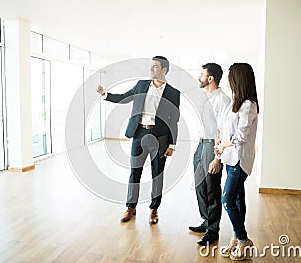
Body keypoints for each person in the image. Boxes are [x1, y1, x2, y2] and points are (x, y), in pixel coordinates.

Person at [96, 56, 180, 225]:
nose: (151, 69)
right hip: (139, 134)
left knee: (157, 175)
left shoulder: (173, 93)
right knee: (135, 172)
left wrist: (172, 144)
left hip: (160, 138)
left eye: (155, 67)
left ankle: (154, 209)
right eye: (151, 66)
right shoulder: (141, 85)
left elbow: (174, 120)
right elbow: (124, 97)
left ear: (164, 70)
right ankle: (130, 207)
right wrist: (105, 95)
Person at [215, 63, 259, 261]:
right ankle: (236, 236)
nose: (227, 78)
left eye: (230, 75)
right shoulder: (235, 101)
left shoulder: (249, 104)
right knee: (238, 199)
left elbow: (240, 136)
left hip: (239, 159)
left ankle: (243, 240)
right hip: (230, 158)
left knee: (227, 200)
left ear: (238, 78)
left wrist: (223, 144)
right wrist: (220, 143)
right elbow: (227, 130)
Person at [188, 63, 230, 246]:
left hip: (213, 146)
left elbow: (224, 131)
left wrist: (217, 158)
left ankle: (213, 230)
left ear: (210, 78)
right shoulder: (204, 97)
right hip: (200, 145)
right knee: (199, 186)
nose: (199, 77)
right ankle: (206, 221)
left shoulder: (223, 100)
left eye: (202, 74)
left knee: (212, 189)